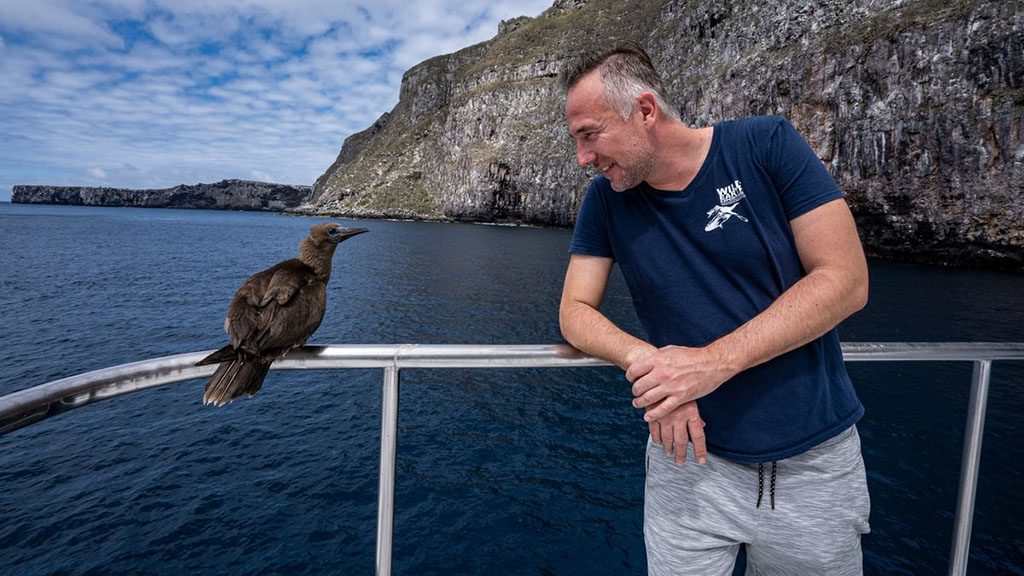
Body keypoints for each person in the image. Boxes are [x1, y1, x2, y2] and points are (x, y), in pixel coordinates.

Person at [557, 42, 871, 575]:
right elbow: (575, 311)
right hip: (686, 462)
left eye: (591, 135)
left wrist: (708, 365)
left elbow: (846, 281)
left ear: (646, 111)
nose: (584, 157)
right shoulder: (605, 200)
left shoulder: (766, 145)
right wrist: (657, 371)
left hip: (813, 466)